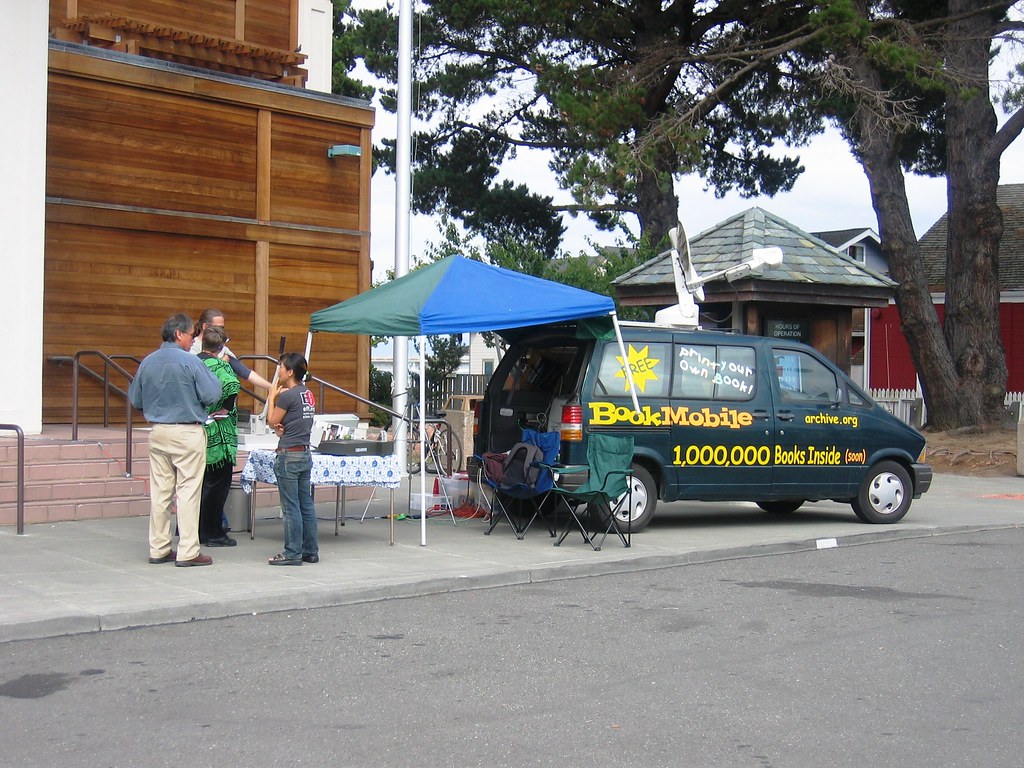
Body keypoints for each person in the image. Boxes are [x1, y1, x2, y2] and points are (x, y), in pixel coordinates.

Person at [128, 313, 223, 567]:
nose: (193, 339)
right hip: (187, 431)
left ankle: (158, 548)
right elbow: (213, 393)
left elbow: (136, 399)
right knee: (188, 492)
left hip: (158, 431)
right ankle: (188, 551)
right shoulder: (190, 362)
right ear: (179, 334)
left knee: (160, 493)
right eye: (191, 335)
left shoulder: (147, 362)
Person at [265, 352, 319, 566]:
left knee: (290, 506)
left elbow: (272, 421)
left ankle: (292, 552)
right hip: (304, 451)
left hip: (288, 455)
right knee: (306, 503)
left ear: (290, 372)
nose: (278, 370)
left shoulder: (287, 396)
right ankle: (310, 550)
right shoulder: (307, 394)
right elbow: (293, 420)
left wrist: (271, 398)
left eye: (281, 367)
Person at [197, 326, 241, 547]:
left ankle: (197, 531)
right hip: (219, 434)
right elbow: (233, 383)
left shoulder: (194, 362)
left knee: (200, 486)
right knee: (217, 486)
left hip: (198, 430)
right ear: (221, 346)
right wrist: (226, 407)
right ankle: (213, 532)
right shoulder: (219, 365)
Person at [190, 307, 274, 391]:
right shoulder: (192, 347)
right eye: (218, 327)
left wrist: (271, 387)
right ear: (205, 326)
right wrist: (222, 363)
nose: (221, 331)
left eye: (222, 328)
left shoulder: (223, 349)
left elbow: (244, 371)